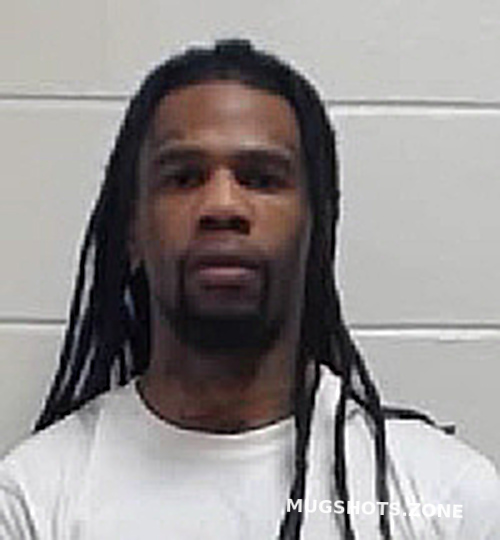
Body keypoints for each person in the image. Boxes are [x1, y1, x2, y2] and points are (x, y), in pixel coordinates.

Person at [0, 39, 499, 540]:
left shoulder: (447, 498)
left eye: (261, 178)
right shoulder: (33, 500)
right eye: (184, 177)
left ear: (317, 228)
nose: (222, 205)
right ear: (132, 230)